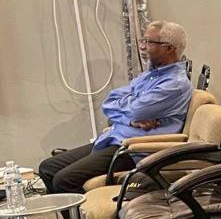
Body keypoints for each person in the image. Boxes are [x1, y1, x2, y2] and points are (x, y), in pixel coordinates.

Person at [38, 21, 192, 195]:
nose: (142, 46)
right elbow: (109, 102)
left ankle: (95, 213)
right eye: (142, 41)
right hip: (114, 138)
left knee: (64, 180)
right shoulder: (149, 75)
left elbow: (136, 111)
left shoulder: (175, 84)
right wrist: (131, 121)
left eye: (149, 42)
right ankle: (74, 213)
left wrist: (129, 108)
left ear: (169, 48)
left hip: (135, 149)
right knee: (48, 168)